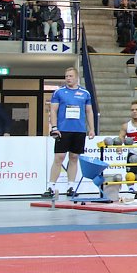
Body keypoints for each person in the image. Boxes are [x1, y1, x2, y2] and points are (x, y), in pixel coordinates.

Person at [45, 68, 96, 197]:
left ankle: (71, 187)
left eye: (71, 76)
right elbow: (53, 110)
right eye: (66, 76)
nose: (68, 78)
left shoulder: (85, 93)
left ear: (76, 77)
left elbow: (89, 111)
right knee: (59, 158)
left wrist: (91, 128)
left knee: (74, 158)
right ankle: (50, 187)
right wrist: (54, 127)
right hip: (63, 129)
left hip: (79, 130)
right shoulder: (59, 92)